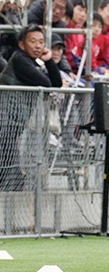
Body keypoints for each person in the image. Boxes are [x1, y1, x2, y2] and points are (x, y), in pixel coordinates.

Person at [0, 24, 63, 191]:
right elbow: (46, 83)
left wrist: (49, 60)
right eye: (33, 41)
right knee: (10, 175)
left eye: (41, 42)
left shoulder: (30, 61)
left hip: (13, 125)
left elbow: (55, 84)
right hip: (5, 122)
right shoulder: (20, 59)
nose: (37, 46)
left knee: (11, 175)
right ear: (22, 44)